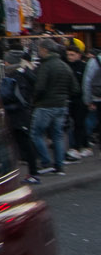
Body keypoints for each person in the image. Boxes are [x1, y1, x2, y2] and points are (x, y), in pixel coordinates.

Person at [29, 39, 76, 176]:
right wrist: (64, 96)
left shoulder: (46, 66)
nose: (39, 52)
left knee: (36, 134)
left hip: (45, 105)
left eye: (40, 49)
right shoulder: (65, 66)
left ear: (45, 50)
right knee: (58, 135)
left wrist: (34, 101)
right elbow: (75, 88)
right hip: (61, 105)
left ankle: (46, 161)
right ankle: (59, 165)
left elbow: (40, 87)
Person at [0, 49, 38, 183]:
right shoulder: (24, 73)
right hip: (23, 113)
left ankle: (32, 174)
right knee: (23, 143)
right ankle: (31, 173)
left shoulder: (14, 77)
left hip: (16, 114)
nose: (4, 63)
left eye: (6, 61)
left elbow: (9, 97)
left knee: (21, 144)